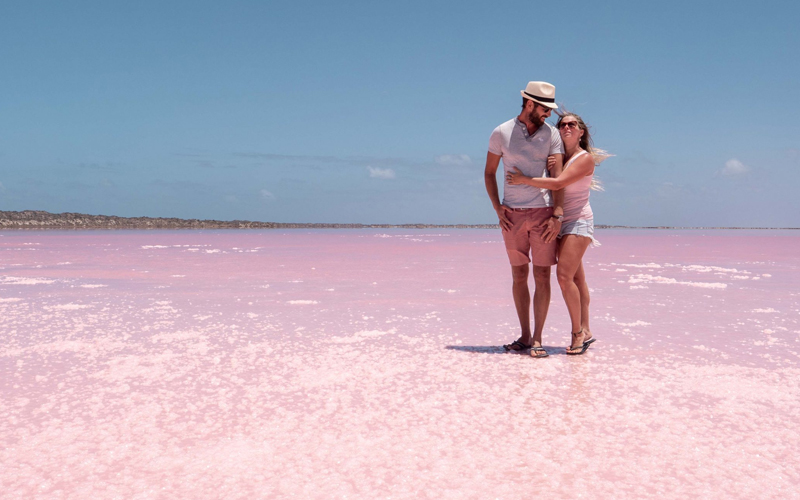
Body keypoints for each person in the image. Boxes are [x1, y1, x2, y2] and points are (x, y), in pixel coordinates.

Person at [506, 111, 608, 355]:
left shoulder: (584, 159)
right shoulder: (559, 158)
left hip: (578, 223)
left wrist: (523, 179)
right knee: (577, 279)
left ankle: (577, 334)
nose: (566, 128)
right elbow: (555, 180)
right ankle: (587, 328)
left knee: (563, 277)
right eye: (562, 125)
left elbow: (558, 185)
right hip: (558, 222)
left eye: (572, 124)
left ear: (581, 132)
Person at [485, 81, 565, 358]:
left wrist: (557, 214)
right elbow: (488, 173)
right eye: (545, 109)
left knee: (543, 275)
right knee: (519, 275)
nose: (548, 115)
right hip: (512, 216)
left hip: (543, 214)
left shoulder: (552, 135)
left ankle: (539, 339)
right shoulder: (501, 132)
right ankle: (525, 336)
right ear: (530, 104)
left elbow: (558, 179)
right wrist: (497, 208)